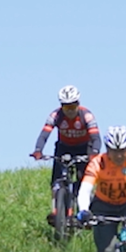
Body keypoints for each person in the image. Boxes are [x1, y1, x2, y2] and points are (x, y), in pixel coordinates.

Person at [30, 85, 101, 226]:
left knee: (83, 180)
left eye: (72, 107)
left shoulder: (87, 116)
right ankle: (56, 210)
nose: (69, 111)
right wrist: (38, 150)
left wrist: (94, 154)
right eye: (66, 107)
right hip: (64, 147)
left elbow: (96, 139)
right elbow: (44, 135)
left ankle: (84, 212)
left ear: (78, 104)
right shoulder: (55, 116)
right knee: (56, 180)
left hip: (83, 148)